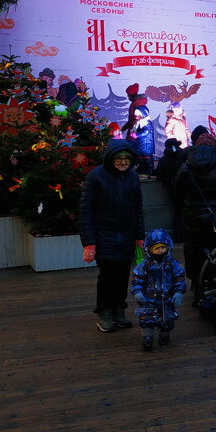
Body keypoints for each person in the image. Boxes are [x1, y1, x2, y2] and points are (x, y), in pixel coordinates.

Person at [79, 139, 145, 333]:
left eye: (127, 158)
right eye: (119, 157)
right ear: (110, 158)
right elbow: (86, 211)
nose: (123, 161)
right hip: (104, 234)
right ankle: (105, 312)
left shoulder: (133, 177)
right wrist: (89, 242)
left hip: (126, 234)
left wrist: (139, 237)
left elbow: (138, 209)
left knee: (123, 275)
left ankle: (119, 309)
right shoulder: (96, 177)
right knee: (107, 275)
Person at [175, 138, 216, 304]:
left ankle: (199, 291)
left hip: (193, 217)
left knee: (195, 253)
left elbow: (177, 191)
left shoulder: (186, 168)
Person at [132, 228, 186, 351]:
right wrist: (137, 291)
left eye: (163, 247)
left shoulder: (172, 264)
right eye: (156, 248)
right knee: (147, 318)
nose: (160, 250)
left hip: (167, 298)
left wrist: (178, 292)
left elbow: (179, 278)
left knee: (167, 319)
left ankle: (164, 334)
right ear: (149, 249)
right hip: (149, 298)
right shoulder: (145, 265)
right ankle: (147, 337)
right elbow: (137, 278)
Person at [153, 138, 187, 242]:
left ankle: (178, 236)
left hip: (172, 188)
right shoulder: (184, 155)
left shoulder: (164, 159)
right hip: (186, 187)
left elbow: (159, 174)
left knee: (177, 212)